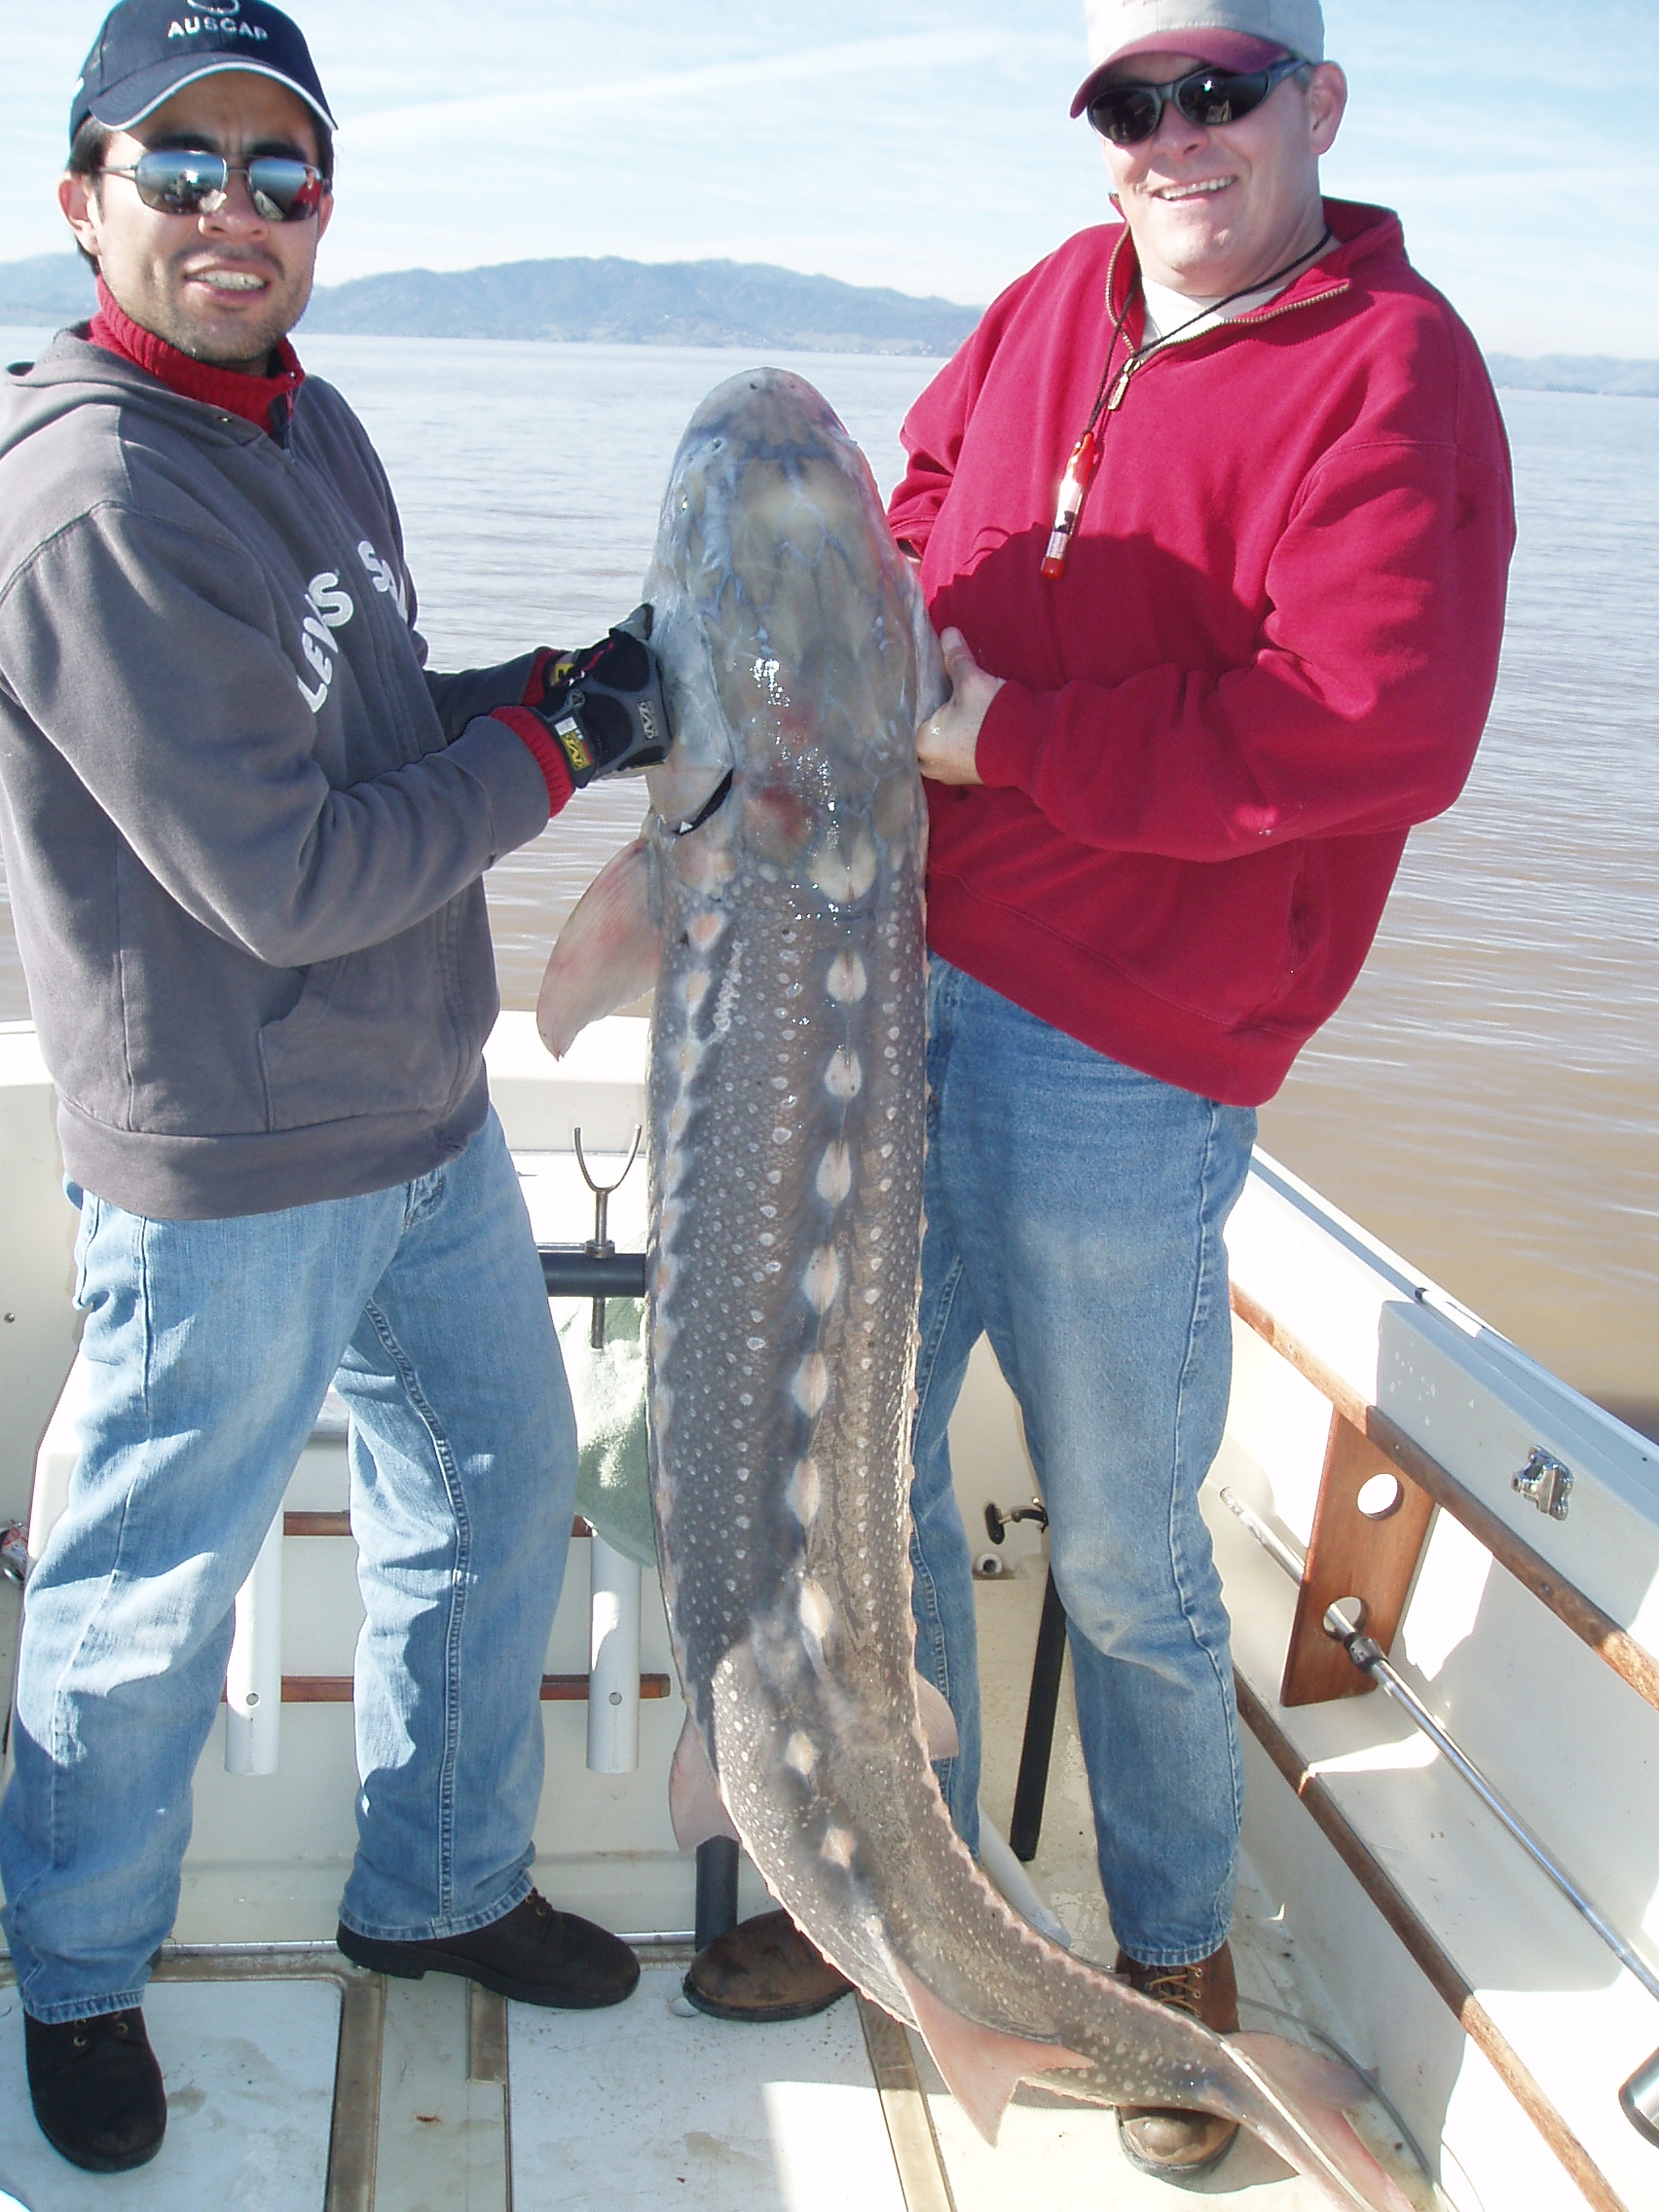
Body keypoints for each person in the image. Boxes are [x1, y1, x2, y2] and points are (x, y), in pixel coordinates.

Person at [0, 0, 672, 2176]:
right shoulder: (95, 502)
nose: (231, 212)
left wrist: (563, 685)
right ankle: (78, 1969)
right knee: (142, 1596)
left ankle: (441, 1883)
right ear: (80, 196)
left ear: (325, 207)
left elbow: (380, 736)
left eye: (277, 172)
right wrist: (562, 752)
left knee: (496, 1496)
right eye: (177, 167)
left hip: (422, 1121)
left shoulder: (309, 425)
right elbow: (288, 873)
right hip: (228, 1173)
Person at [888, 0, 1514, 2180]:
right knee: (859, 1502)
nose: (1171, 135)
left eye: (1216, 90)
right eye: (1127, 101)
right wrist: (877, 612)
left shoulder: (1394, 369)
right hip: (908, 981)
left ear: (1317, 105)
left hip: (1125, 1054)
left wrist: (1005, 745)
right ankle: (921, 1908)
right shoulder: (1054, 299)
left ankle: (1172, 1960)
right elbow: (931, 493)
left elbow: (1366, 730)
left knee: (1133, 1546)